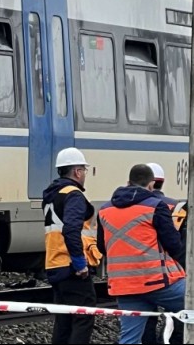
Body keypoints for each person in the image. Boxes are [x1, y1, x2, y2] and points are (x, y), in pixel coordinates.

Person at [98, 164, 186, 345]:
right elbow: (174, 245)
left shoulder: (105, 210)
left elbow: (101, 247)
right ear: (151, 185)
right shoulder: (156, 206)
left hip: (125, 287)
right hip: (159, 283)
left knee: (129, 339)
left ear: (128, 182)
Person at [42, 147, 100, 344]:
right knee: (83, 316)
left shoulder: (52, 195)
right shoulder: (73, 195)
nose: (84, 174)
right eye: (84, 170)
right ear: (77, 172)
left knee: (64, 320)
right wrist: (80, 263)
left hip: (54, 263)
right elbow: (71, 230)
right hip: (71, 267)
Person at [137, 163, 187, 345]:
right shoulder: (177, 207)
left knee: (146, 318)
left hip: (144, 272)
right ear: (161, 182)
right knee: (178, 315)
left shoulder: (135, 207)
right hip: (173, 272)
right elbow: (179, 243)